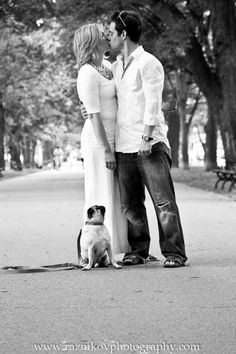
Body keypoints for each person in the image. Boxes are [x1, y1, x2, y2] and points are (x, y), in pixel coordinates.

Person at [108, 10, 188, 267]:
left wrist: (146, 136)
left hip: (149, 144)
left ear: (123, 34)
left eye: (111, 32)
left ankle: (175, 253)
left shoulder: (149, 63)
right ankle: (138, 250)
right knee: (131, 204)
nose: (109, 37)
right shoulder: (117, 66)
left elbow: (154, 104)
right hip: (124, 145)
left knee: (164, 202)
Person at [73, 23, 130, 255]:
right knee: (100, 191)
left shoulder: (106, 66)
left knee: (114, 193)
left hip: (114, 137)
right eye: (101, 33)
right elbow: (94, 116)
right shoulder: (86, 72)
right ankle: (92, 250)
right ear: (92, 41)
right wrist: (107, 149)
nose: (106, 35)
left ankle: (116, 246)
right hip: (98, 142)